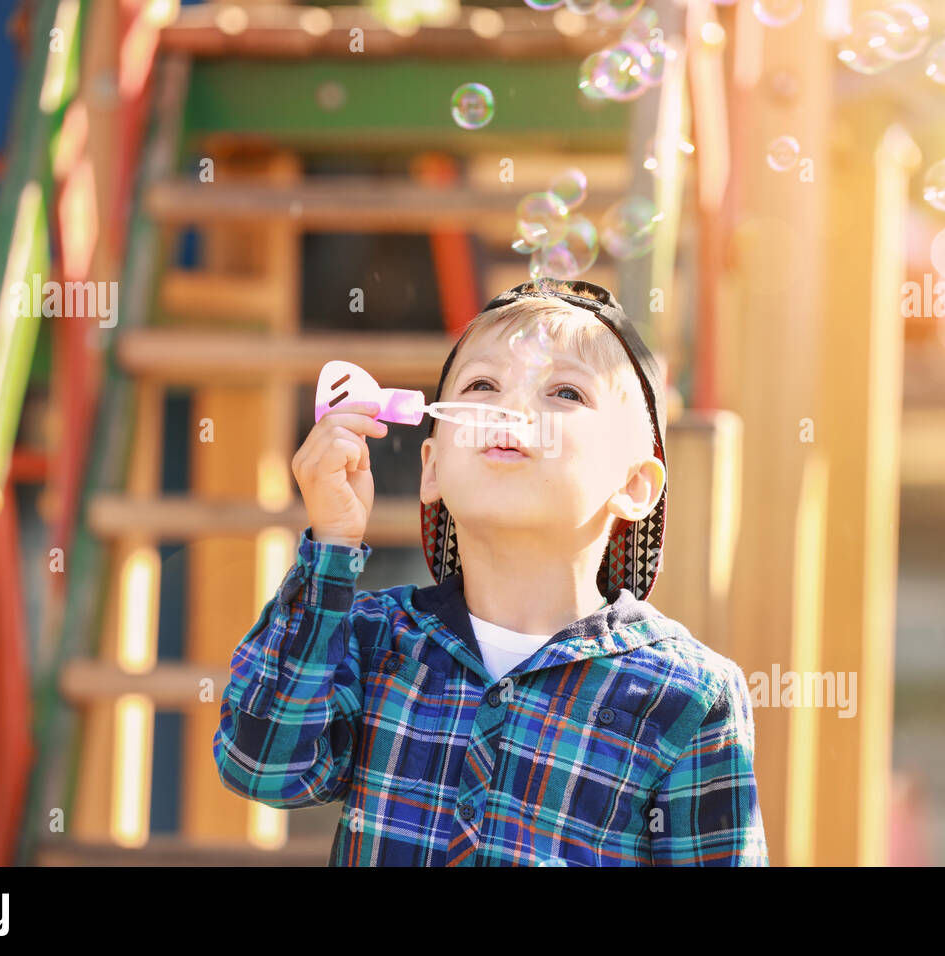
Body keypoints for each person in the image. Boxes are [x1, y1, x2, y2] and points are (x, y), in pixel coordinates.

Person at [213, 277, 768, 866]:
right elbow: (264, 765)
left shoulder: (687, 696)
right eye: (483, 385)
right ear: (432, 469)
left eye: (565, 392)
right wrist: (331, 544)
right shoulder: (376, 640)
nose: (511, 408)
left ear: (633, 486)